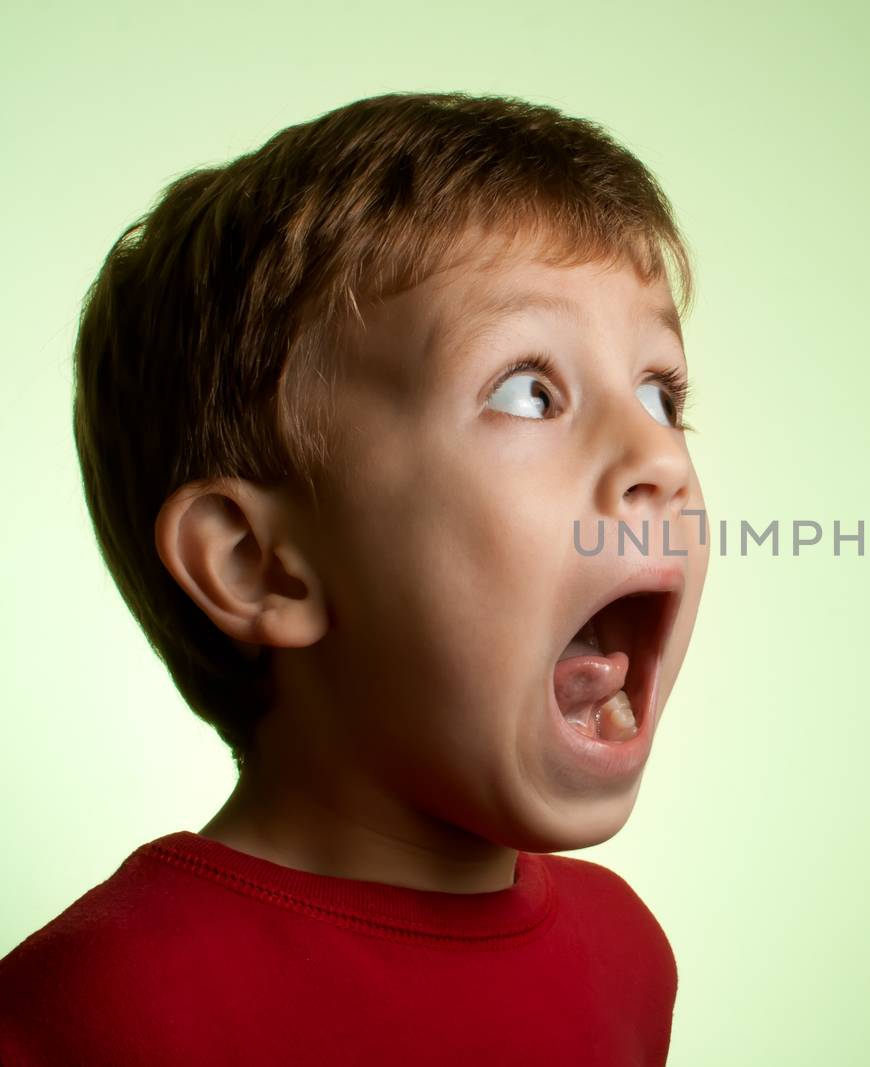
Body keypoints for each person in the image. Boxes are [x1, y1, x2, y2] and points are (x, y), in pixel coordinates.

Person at [0, 91, 710, 1065]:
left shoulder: (627, 953)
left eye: (659, 393)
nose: (658, 459)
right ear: (258, 565)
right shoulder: (103, 1010)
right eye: (527, 390)